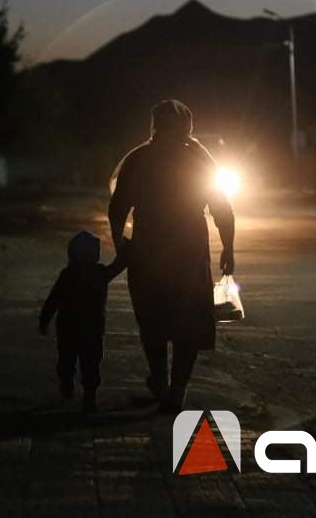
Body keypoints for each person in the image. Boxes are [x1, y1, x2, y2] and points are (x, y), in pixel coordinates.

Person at [108, 99, 235, 413]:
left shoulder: (139, 159)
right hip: (189, 249)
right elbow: (222, 209)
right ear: (188, 126)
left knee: (151, 316)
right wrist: (228, 248)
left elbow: (117, 208)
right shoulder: (199, 159)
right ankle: (176, 391)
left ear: (155, 125)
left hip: (148, 245)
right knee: (187, 320)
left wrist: (120, 244)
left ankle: (161, 383)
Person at [38, 231, 126, 413]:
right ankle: (89, 396)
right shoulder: (99, 273)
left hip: (68, 329)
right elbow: (117, 267)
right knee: (90, 364)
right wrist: (127, 253)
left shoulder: (67, 275)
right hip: (92, 330)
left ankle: (68, 383)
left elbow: (53, 300)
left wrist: (44, 320)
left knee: (67, 361)